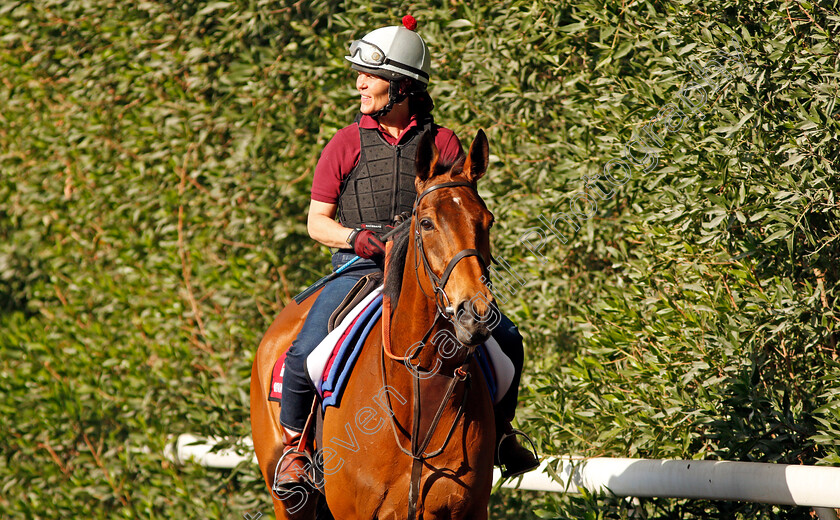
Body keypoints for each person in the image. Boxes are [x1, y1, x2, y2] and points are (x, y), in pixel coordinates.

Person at [275, 15, 539, 491]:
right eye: (360, 75)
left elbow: (456, 208)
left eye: (368, 76)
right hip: (362, 268)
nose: (359, 84)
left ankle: (500, 434)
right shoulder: (345, 143)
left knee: (510, 341)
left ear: (400, 86)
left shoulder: (442, 143)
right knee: (304, 353)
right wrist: (354, 238)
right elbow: (317, 221)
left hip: (430, 271)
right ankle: (296, 451)